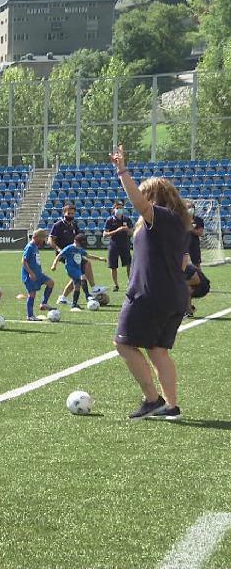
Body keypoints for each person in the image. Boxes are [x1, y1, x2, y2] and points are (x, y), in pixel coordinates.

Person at [110, 145, 191, 421]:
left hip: (150, 295)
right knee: (158, 350)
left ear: (153, 197)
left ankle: (152, 400)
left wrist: (122, 170)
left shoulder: (161, 217)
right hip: (173, 296)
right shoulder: (178, 223)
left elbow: (140, 204)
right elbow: (183, 263)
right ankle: (171, 405)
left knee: (123, 344)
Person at [48, 204, 96, 304]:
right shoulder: (58, 225)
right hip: (64, 254)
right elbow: (50, 240)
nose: (70, 215)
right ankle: (93, 289)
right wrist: (58, 249)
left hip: (75, 253)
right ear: (64, 213)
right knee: (86, 265)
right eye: (68, 213)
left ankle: (63, 297)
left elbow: (79, 237)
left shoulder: (74, 225)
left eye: (72, 214)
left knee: (77, 275)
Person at [51, 234, 104, 311]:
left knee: (77, 286)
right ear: (75, 241)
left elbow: (88, 256)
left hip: (78, 269)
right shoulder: (69, 248)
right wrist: (54, 265)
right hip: (71, 269)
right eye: (80, 244)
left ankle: (74, 304)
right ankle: (87, 295)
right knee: (83, 277)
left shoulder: (80, 249)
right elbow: (59, 255)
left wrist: (99, 258)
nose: (81, 246)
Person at [22, 229, 56, 321]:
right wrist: (31, 273)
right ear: (37, 238)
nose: (44, 241)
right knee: (32, 294)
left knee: (50, 283)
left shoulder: (35, 247)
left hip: (38, 274)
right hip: (30, 275)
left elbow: (35, 261)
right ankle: (30, 315)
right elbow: (24, 262)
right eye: (43, 238)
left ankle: (44, 303)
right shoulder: (29, 247)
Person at [103, 200, 133, 291]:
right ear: (113, 209)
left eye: (121, 208)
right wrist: (117, 230)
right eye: (117, 208)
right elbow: (105, 234)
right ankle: (116, 285)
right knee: (113, 266)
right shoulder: (110, 220)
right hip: (114, 245)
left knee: (129, 264)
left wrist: (127, 229)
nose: (119, 210)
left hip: (125, 244)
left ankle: (131, 283)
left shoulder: (127, 219)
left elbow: (132, 233)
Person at [186, 200, 205, 269]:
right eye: (187, 207)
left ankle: (200, 279)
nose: (189, 209)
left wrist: (191, 228)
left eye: (190, 207)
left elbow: (200, 233)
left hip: (194, 245)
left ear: (193, 209)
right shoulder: (181, 219)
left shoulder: (198, 220)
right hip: (183, 244)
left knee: (196, 265)